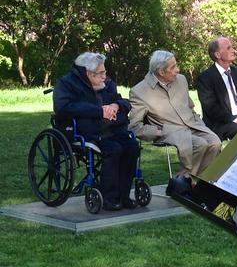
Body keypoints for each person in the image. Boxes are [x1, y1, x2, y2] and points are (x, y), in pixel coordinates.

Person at [53, 52, 139, 211]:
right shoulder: (67, 84)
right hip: (85, 131)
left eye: (104, 72)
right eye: (101, 73)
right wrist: (99, 111)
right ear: (88, 74)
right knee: (114, 150)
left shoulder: (107, 82)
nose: (104, 76)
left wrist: (117, 106)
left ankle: (123, 195)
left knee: (132, 147)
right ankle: (109, 198)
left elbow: (123, 101)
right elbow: (62, 108)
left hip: (112, 129)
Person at [129, 50, 221, 183]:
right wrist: (159, 132)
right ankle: (183, 182)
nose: (178, 70)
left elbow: (189, 106)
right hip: (169, 131)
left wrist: (198, 121)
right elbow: (135, 127)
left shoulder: (181, 80)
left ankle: (198, 181)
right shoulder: (139, 92)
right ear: (161, 72)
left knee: (215, 142)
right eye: (173, 67)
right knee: (200, 144)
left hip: (192, 125)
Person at [196, 37, 237, 140]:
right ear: (217, 55)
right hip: (221, 122)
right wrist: (234, 120)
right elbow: (212, 109)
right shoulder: (205, 78)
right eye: (228, 48)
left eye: (232, 47)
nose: (233, 51)